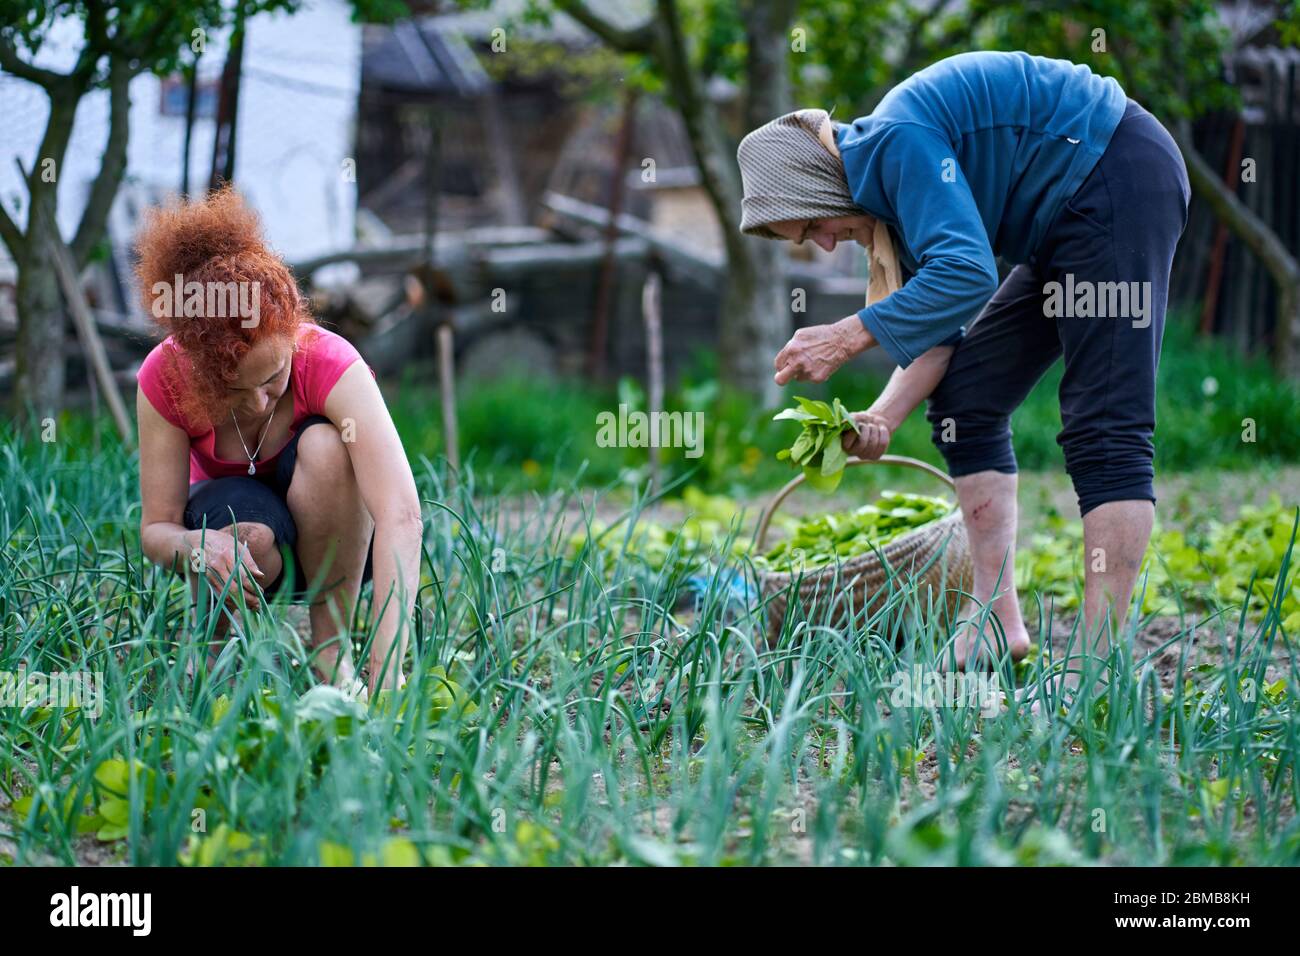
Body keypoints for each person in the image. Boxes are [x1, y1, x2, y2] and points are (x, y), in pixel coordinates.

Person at [736, 51, 1190, 693]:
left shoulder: (896, 143)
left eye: (814, 225)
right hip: (1060, 225)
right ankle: (994, 624)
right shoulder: (889, 197)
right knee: (965, 401)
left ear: (819, 181)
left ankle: (1095, 672)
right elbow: (939, 326)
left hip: (1114, 176)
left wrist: (844, 336)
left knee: (1104, 428)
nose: (828, 245)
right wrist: (880, 418)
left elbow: (968, 275)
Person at [134, 188, 423, 697]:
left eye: (275, 377)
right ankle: (212, 656)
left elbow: (401, 513)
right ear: (201, 376)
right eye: (239, 391)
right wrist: (197, 548)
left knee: (330, 446)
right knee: (250, 536)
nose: (264, 402)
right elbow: (156, 529)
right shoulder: (164, 377)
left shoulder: (329, 359)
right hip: (248, 552)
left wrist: (387, 664)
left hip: (341, 545)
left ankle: (331, 656)